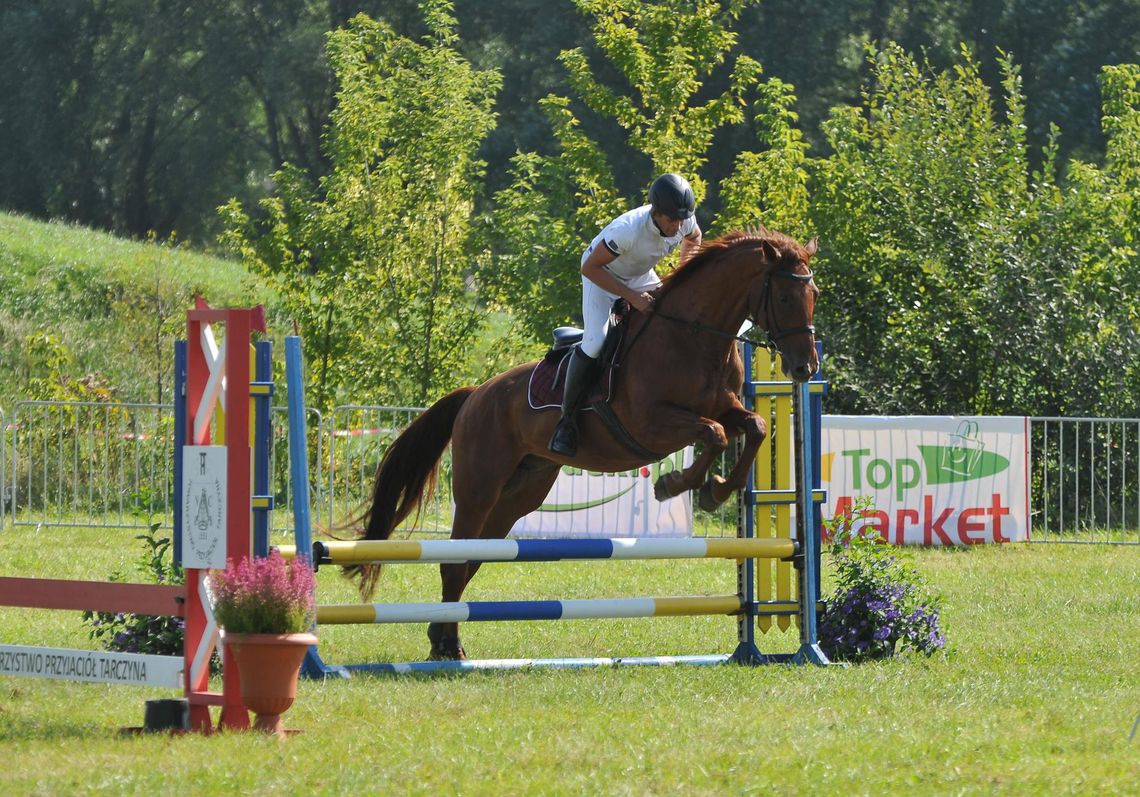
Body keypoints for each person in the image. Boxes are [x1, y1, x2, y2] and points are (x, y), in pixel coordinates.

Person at [548, 173, 703, 456]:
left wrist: (680, 277)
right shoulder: (628, 230)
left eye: (682, 220)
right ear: (655, 213)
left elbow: (694, 238)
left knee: (674, 320)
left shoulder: (682, 222)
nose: (677, 226)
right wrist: (632, 298)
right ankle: (566, 421)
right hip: (602, 278)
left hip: (638, 275)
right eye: (672, 220)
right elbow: (590, 268)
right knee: (596, 343)